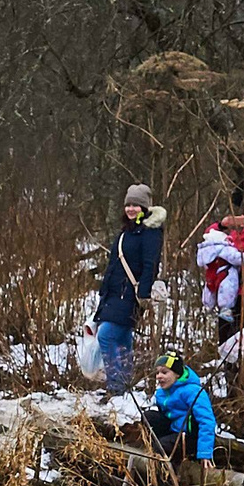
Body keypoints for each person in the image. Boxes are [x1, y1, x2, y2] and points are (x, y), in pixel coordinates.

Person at [91, 184, 165, 392]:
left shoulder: (150, 232)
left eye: (136, 205)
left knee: (106, 335)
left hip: (129, 295)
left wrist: (143, 294)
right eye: (128, 205)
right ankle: (123, 386)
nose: (131, 209)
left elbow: (151, 264)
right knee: (122, 339)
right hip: (114, 293)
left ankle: (116, 385)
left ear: (145, 207)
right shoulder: (127, 231)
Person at [141, 352, 219, 467]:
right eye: (157, 372)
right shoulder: (162, 393)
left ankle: (166, 465)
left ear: (177, 374)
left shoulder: (193, 391)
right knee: (148, 417)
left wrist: (204, 453)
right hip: (174, 429)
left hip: (189, 437)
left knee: (163, 446)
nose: (159, 376)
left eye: (164, 372)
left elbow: (207, 421)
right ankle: (154, 450)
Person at [197, 215, 244, 346]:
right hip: (226, 276)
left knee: (211, 291)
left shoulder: (205, 249)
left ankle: (208, 304)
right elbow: (238, 258)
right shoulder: (223, 248)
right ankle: (226, 309)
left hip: (212, 276)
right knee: (227, 293)